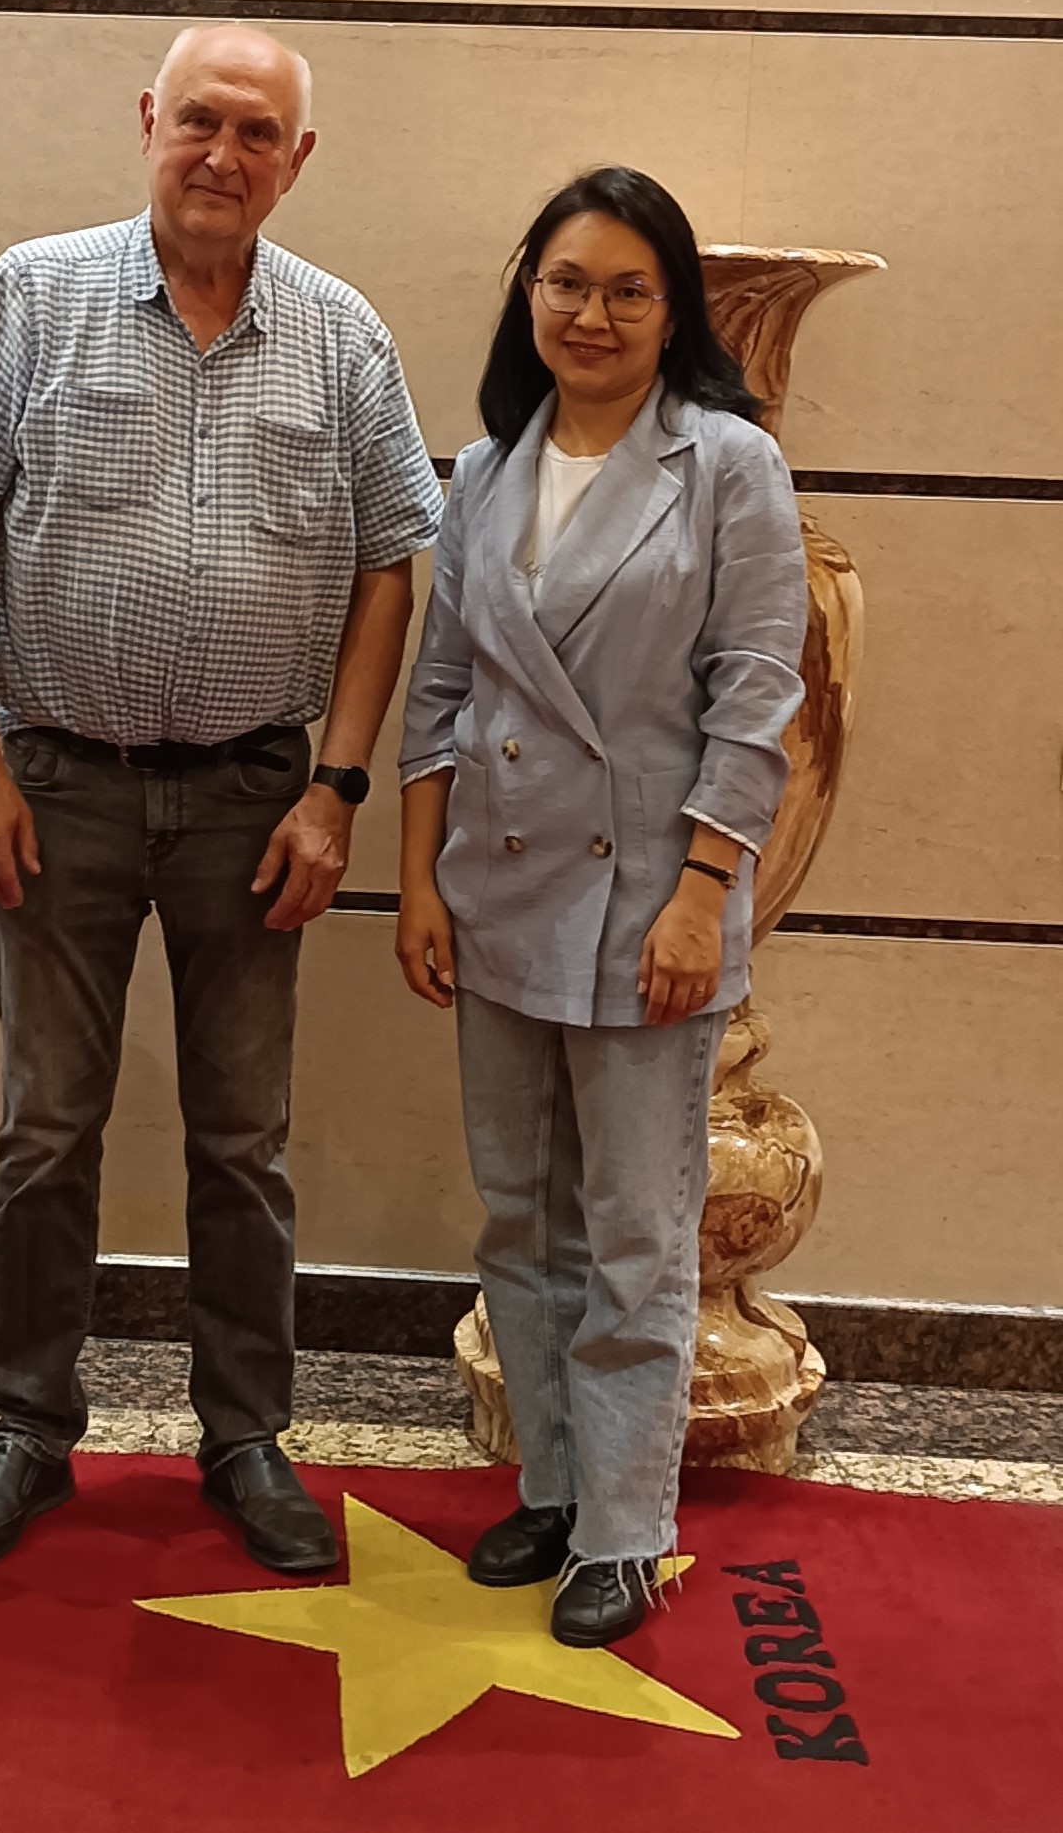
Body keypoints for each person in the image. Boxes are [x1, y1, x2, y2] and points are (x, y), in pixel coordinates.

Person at [0, 25, 444, 1575]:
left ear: (299, 158)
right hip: (57, 787)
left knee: (243, 1139)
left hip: (255, 801)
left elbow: (392, 561)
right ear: (150, 120)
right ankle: (27, 1428)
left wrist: (337, 787)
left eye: (258, 131)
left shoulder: (341, 333)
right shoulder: (35, 293)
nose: (224, 152)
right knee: (43, 1130)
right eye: (200, 119)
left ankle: (246, 1437)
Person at [396, 166, 808, 1648]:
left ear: (674, 309)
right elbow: (440, 693)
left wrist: (703, 895)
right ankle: (555, 1484)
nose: (594, 313)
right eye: (567, 282)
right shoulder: (483, 469)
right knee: (522, 1219)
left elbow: (756, 700)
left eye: (631, 289)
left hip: (649, 910)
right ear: (529, 292)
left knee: (636, 1232)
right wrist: (421, 880)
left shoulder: (729, 464)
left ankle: (626, 1529)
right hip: (498, 895)